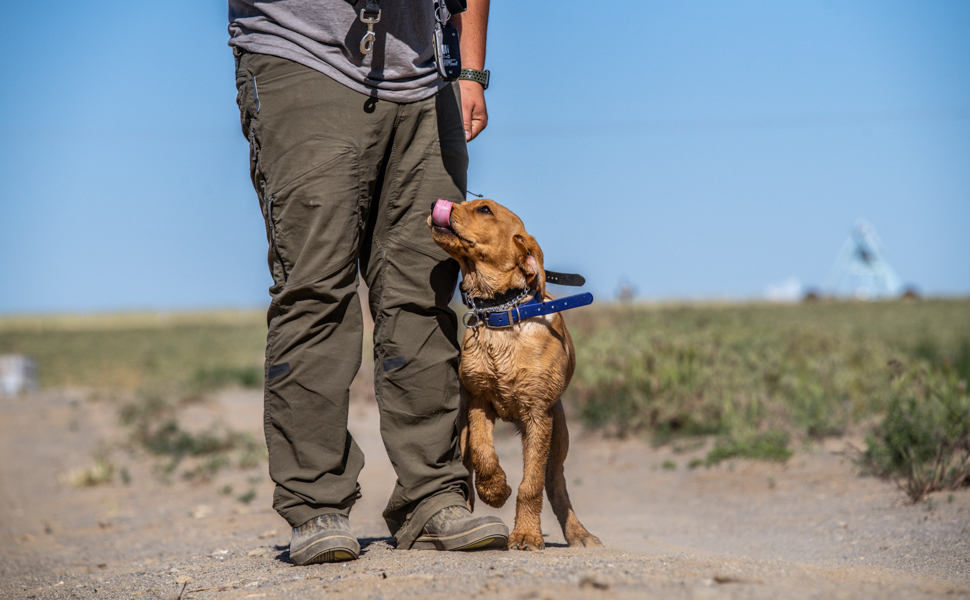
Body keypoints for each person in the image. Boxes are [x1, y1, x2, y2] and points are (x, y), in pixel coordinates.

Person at [228, 0, 505, 565]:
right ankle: (315, 504)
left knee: (424, 292)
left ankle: (434, 494)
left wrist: (471, 70)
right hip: (304, 54)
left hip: (428, 73)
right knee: (316, 288)